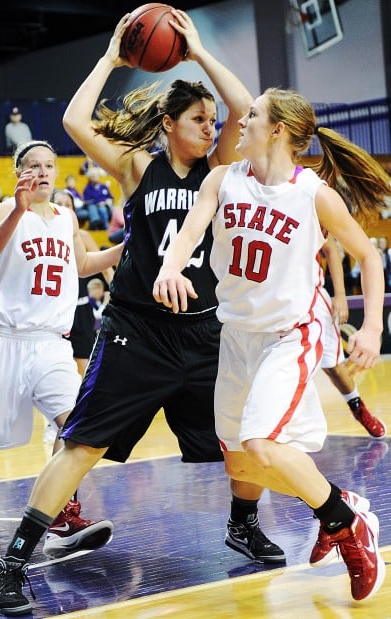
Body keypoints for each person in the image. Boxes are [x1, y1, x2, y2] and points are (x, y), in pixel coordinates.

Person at [0, 11, 283, 617]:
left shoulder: (219, 167)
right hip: (136, 330)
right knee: (82, 444)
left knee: (242, 440)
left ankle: (243, 525)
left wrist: (198, 50)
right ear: (169, 125)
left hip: (204, 329)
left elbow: (242, 102)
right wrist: (111, 60)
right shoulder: (135, 166)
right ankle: (12, 563)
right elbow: (73, 121)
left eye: (211, 121)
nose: (210, 128)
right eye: (197, 121)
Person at [153, 87, 389, 602]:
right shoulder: (223, 178)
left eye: (252, 115)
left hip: (290, 335)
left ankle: (347, 523)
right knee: (241, 464)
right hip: (236, 337)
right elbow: (190, 233)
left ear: (277, 130)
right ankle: (339, 505)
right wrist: (170, 266)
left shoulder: (312, 192)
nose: (241, 121)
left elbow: (369, 258)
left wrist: (370, 328)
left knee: (262, 441)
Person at [0, 140, 127, 615]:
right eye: (33, 166)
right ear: (19, 173)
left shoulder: (67, 218)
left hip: (52, 344)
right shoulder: (6, 207)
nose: (43, 172)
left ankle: (62, 520)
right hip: (5, 339)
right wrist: (16, 213)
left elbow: (82, 266)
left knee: (79, 429)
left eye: (49, 165)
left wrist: (126, 248)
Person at [318, 235, 386, 438]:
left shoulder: (309, 205)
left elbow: (330, 249)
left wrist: (340, 294)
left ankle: (358, 407)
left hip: (309, 298)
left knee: (334, 367)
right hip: (262, 303)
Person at [51, 188, 114, 377]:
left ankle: (85, 401)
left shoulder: (83, 237)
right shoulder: (42, 234)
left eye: (68, 205)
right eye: (59, 204)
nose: (63, 208)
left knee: (84, 362)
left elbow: (105, 267)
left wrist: (118, 293)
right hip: (53, 309)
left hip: (79, 308)